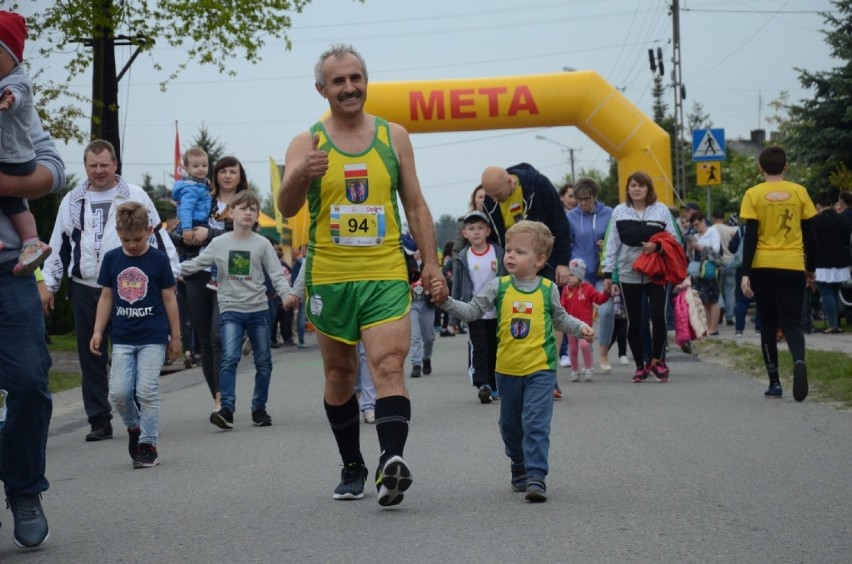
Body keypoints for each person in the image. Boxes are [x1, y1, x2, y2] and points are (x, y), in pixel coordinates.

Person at [277, 44, 445, 506]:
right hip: (330, 276)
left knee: (389, 365)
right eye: (338, 81)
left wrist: (430, 262)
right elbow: (286, 206)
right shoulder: (306, 142)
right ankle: (352, 464)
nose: (349, 88)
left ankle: (391, 463)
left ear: (366, 82)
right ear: (321, 90)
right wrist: (301, 175)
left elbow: (414, 204)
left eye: (356, 78)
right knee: (339, 373)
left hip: (386, 270)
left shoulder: (394, 136)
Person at [431, 220, 593, 502]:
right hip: (506, 371)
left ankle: (536, 477)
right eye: (508, 250)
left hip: (540, 369)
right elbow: (471, 311)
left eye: (520, 252)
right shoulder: (499, 287)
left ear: (540, 260)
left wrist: (580, 328)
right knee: (510, 426)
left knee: (536, 423)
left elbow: (561, 318)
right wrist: (446, 301)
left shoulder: (547, 289)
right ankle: (518, 464)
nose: (510, 256)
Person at [43, 139, 180, 441]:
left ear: (115, 164)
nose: (99, 171)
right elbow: (58, 245)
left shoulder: (134, 195)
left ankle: (135, 405)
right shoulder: (73, 201)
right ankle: (98, 419)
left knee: (127, 349)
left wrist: (172, 271)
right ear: (86, 167)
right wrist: (50, 285)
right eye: (93, 165)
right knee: (90, 351)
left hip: (129, 285)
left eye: (104, 164)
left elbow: (157, 237)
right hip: (85, 286)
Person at [0, 83, 64, 550]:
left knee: (28, 382)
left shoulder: (11, 94)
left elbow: (52, 170)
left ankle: (24, 488)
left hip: (9, 269)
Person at [181, 190, 292, 428]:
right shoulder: (219, 243)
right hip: (230, 309)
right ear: (231, 212)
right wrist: (168, 270)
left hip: (259, 310)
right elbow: (196, 264)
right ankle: (227, 409)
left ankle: (259, 409)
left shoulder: (263, 244)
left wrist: (286, 295)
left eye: (253, 209)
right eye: (243, 208)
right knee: (229, 358)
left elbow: (276, 274)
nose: (248, 213)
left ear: (257, 215)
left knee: (264, 362)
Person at [89, 202, 181, 468]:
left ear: (149, 230)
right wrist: (97, 330)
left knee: (146, 390)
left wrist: (175, 337)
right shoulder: (112, 259)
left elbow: (169, 299)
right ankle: (134, 427)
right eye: (126, 239)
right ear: (118, 232)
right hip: (122, 338)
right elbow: (106, 297)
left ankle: (148, 444)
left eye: (138, 239)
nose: (131, 244)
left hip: (153, 336)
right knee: (118, 393)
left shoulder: (158, 260)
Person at [740, 146, 817, 401]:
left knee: (769, 324)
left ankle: (774, 382)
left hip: (763, 267)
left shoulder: (753, 194)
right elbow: (810, 235)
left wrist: (746, 273)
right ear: (786, 167)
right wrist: (811, 269)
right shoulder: (799, 192)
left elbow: (750, 237)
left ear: (760, 168)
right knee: (792, 324)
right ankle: (797, 360)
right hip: (792, 265)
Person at [177, 156, 249, 412]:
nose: (228, 176)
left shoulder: (245, 203)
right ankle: (219, 398)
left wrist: (209, 234)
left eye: (233, 171)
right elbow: (179, 231)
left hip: (231, 275)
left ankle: (225, 397)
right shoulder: (201, 197)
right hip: (198, 272)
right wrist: (188, 238)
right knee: (206, 340)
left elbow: (246, 233)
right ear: (216, 175)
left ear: (240, 176)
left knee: (219, 337)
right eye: (223, 171)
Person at [602, 171, 680, 383]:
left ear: (648, 189)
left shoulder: (661, 210)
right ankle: (640, 365)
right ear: (627, 189)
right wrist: (609, 274)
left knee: (658, 316)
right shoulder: (619, 211)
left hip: (657, 272)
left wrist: (658, 246)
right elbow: (612, 244)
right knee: (634, 321)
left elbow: (674, 240)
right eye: (633, 185)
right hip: (628, 272)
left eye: (641, 185)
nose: (636, 189)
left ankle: (658, 360)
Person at [0, 11, 51, 276]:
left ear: (14, 57)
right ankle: (31, 241)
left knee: (10, 198)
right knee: (13, 204)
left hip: (13, 159)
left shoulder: (13, 81)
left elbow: (54, 171)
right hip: (14, 159)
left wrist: (8, 101)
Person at [480, 164, 573, 285]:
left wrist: (563, 262)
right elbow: (492, 238)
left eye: (497, 194)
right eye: (490, 196)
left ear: (509, 181)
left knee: (546, 301)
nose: (494, 200)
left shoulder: (538, 185)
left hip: (544, 263)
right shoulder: (490, 200)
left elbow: (560, 223)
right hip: (512, 267)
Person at [451, 210, 505, 403]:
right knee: (479, 348)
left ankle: (495, 383)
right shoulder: (463, 257)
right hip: (473, 311)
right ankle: (482, 383)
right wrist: (453, 318)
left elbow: (507, 280)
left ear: (488, 231)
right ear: (464, 233)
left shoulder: (499, 253)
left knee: (495, 348)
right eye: (471, 228)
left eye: (481, 228)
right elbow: (457, 288)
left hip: (497, 311)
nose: (476, 232)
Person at [566, 177, 614, 371]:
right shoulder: (571, 216)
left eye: (587, 199)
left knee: (607, 311)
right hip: (580, 274)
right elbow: (567, 243)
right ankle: (587, 351)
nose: (583, 203)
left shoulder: (609, 213)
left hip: (603, 272)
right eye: (579, 199)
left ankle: (603, 353)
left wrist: (606, 243)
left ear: (595, 196)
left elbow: (615, 239)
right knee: (581, 315)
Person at [171, 147, 216, 288]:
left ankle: (182, 273)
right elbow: (186, 209)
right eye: (196, 166)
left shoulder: (202, 185)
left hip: (198, 221)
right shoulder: (191, 188)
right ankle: (182, 273)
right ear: (187, 168)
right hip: (192, 223)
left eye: (204, 165)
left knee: (194, 252)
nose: (201, 169)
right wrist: (187, 228)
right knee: (191, 253)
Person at [560, 258, 610, 382]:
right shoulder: (566, 290)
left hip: (585, 325)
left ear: (580, 276)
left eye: (572, 275)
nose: (569, 278)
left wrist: (606, 293)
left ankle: (588, 367)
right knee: (572, 348)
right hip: (570, 325)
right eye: (569, 275)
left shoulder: (588, 288)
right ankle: (575, 370)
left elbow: (598, 299)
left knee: (584, 344)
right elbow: (562, 306)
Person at [811, 192, 851, 333]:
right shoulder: (842, 220)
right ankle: (836, 323)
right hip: (841, 261)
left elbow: (812, 244)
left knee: (826, 292)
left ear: (818, 206)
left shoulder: (816, 221)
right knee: (835, 292)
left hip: (823, 262)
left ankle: (833, 324)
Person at [687, 211, 722, 336]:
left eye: (697, 224)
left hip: (710, 269)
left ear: (703, 221)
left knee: (713, 299)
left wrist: (700, 246)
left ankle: (714, 327)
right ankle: (707, 326)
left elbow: (716, 251)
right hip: (699, 271)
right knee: (704, 300)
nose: (696, 227)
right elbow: (690, 256)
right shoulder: (696, 236)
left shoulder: (713, 232)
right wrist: (691, 247)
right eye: (694, 226)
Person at [405, 239, 435, 380]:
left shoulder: (429, 264)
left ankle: (426, 357)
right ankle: (416, 365)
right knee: (415, 337)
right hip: (412, 305)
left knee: (429, 337)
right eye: (413, 249)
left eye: (418, 249)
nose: (416, 252)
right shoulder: (406, 264)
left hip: (427, 304)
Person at [711, 210, 738, 327]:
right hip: (731, 262)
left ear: (713, 218)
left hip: (718, 263)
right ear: (724, 217)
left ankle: (720, 305)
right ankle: (730, 317)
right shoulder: (731, 230)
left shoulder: (711, 229)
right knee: (730, 290)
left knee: (717, 287)